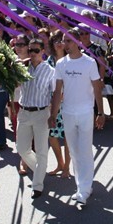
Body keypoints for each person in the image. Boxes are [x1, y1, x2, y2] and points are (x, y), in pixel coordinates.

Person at [49, 28, 106, 207]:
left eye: (69, 41)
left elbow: (97, 88)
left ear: (78, 42)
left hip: (85, 112)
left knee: (85, 150)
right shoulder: (61, 64)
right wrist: (53, 114)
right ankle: (81, 186)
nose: (65, 44)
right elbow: (58, 91)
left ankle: (84, 189)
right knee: (73, 150)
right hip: (68, 112)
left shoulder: (89, 63)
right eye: (64, 41)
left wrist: (101, 112)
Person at [17, 38, 55, 200]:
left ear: (43, 52)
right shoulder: (23, 67)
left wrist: (53, 115)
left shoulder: (50, 71)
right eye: (30, 50)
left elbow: (56, 94)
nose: (32, 53)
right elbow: (16, 85)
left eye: (36, 50)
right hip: (24, 111)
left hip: (41, 112)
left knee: (41, 150)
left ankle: (38, 184)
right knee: (22, 148)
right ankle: (40, 170)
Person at [46, 31, 71, 177]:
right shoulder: (48, 62)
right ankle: (60, 164)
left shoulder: (70, 60)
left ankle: (67, 167)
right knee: (52, 134)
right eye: (55, 40)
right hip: (52, 102)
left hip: (68, 102)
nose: (59, 43)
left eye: (61, 40)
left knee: (68, 135)